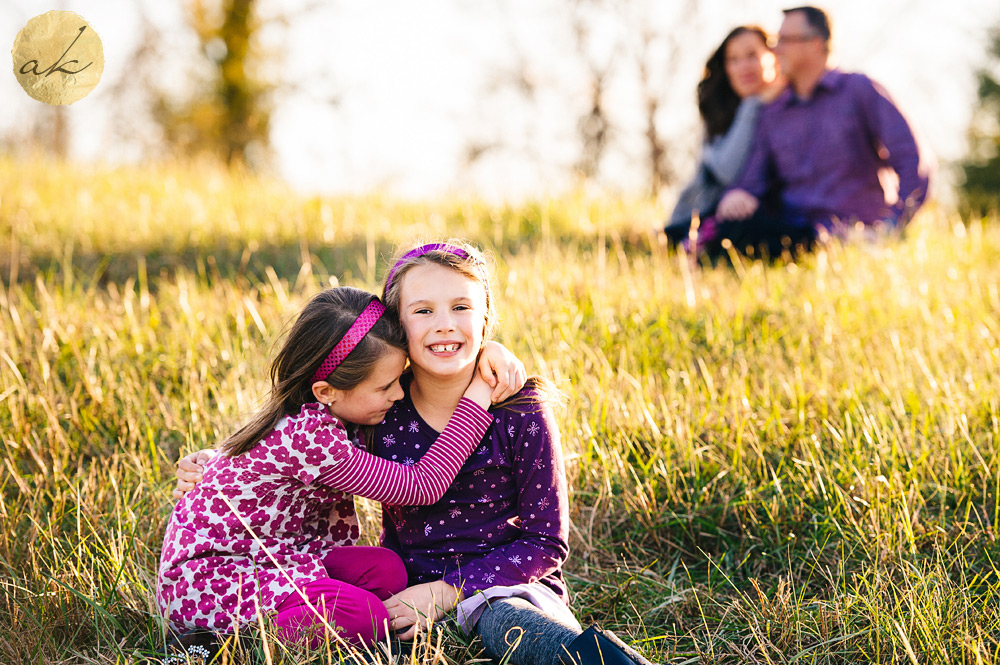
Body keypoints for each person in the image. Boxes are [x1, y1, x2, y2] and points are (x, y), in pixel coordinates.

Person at [177, 242, 656, 665]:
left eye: (462, 307)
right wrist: (215, 464)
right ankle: (225, 639)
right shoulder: (383, 404)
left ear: (485, 318)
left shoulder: (521, 411)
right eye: (423, 311)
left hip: (501, 586)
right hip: (401, 591)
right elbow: (293, 439)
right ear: (396, 327)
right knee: (369, 629)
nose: (445, 324)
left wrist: (449, 592)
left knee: (501, 621)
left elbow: (546, 543)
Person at [157, 286, 502, 660]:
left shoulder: (335, 410)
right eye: (386, 386)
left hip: (281, 557)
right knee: (364, 616)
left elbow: (250, 464)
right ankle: (228, 645)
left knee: (387, 571)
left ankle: (343, 619)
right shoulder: (311, 438)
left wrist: (489, 350)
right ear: (327, 391)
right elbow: (421, 485)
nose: (399, 395)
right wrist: (479, 393)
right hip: (214, 580)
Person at [709, 5, 932, 256]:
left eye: (783, 40)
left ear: (814, 44)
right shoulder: (774, 112)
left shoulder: (859, 91)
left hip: (858, 235)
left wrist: (891, 227)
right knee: (720, 232)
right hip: (794, 237)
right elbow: (752, 179)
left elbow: (912, 159)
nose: (775, 49)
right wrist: (737, 194)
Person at [664, 25, 784, 243]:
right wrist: (752, 105)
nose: (743, 67)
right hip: (697, 219)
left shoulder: (790, 106)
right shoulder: (717, 110)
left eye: (752, 56)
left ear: (773, 57)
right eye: (733, 60)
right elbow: (727, 171)